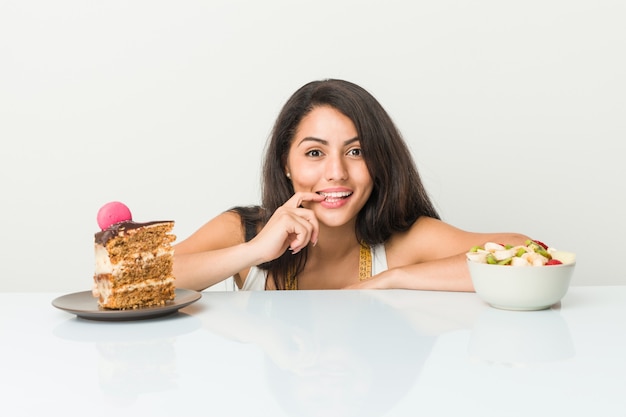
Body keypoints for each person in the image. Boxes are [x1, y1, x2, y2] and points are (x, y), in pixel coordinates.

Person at [173, 79, 530, 291]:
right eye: (314, 152)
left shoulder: (404, 243)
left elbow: (521, 250)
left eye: (356, 151)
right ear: (285, 162)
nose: (336, 173)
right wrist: (254, 252)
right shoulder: (244, 231)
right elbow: (128, 281)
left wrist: (395, 279)